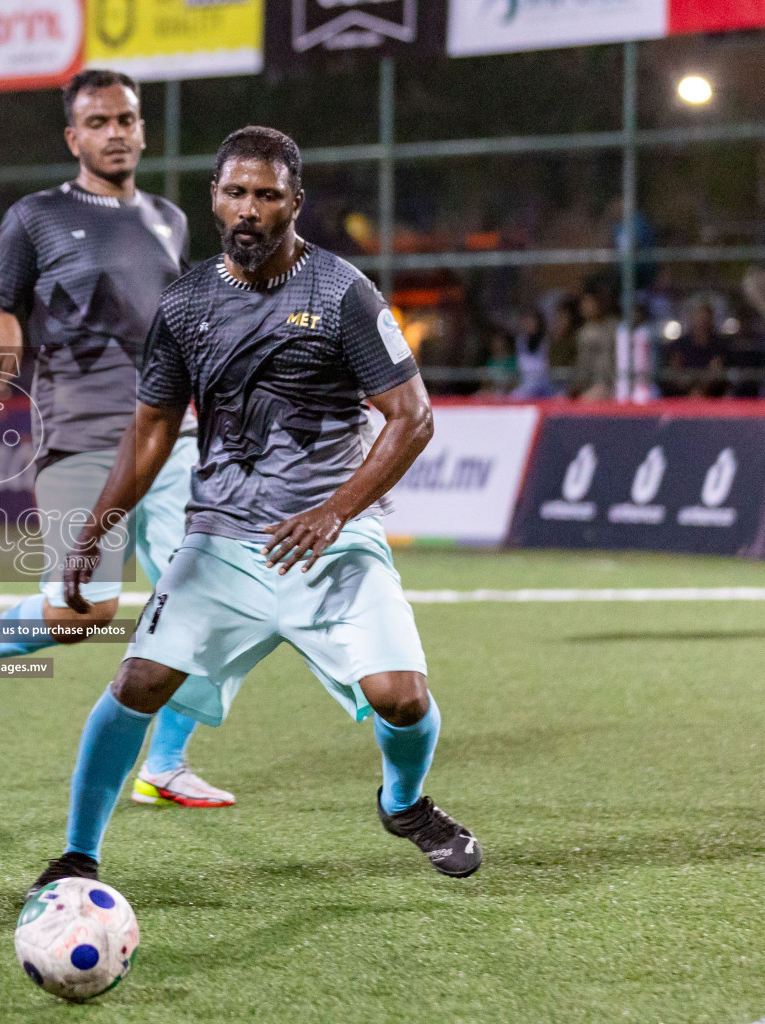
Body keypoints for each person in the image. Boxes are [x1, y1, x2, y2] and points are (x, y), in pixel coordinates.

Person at [28, 127, 482, 896]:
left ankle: (403, 805)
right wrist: (95, 530)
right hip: (221, 544)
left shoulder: (343, 293)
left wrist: (335, 513)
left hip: (329, 542)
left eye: (266, 196)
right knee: (136, 681)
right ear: (214, 199)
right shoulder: (186, 301)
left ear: (294, 204)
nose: (249, 209)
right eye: (236, 193)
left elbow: (412, 418)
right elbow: (151, 429)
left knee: (401, 699)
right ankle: (78, 854)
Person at [0, 68, 236, 809]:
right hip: (79, 432)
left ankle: (163, 763)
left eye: (125, 120)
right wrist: (1, 324)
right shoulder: (36, 215)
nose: (115, 133)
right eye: (97, 122)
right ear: (74, 137)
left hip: (173, 433)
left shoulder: (169, 218)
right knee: (85, 612)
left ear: (141, 128)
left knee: (206, 599)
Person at [573, 285, 619, 400]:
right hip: (595, 384)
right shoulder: (584, 332)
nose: (585, 306)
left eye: (589, 302)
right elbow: (583, 364)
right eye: (584, 302)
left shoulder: (614, 326)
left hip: (616, 382)